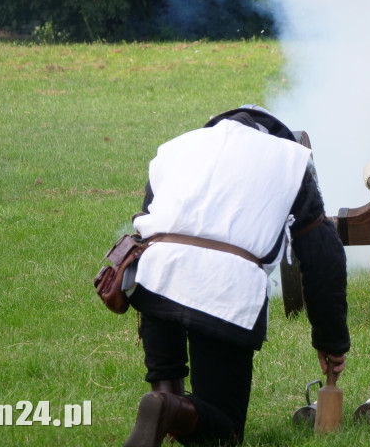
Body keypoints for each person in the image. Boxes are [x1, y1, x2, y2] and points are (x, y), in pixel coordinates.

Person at [120, 105, 350, 447]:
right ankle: (167, 409)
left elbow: (149, 226)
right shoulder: (289, 162)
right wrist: (331, 341)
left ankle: (165, 401)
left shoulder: (175, 148)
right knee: (224, 434)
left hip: (154, 280)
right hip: (225, 290)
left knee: (178, 402)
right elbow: (323, 258)